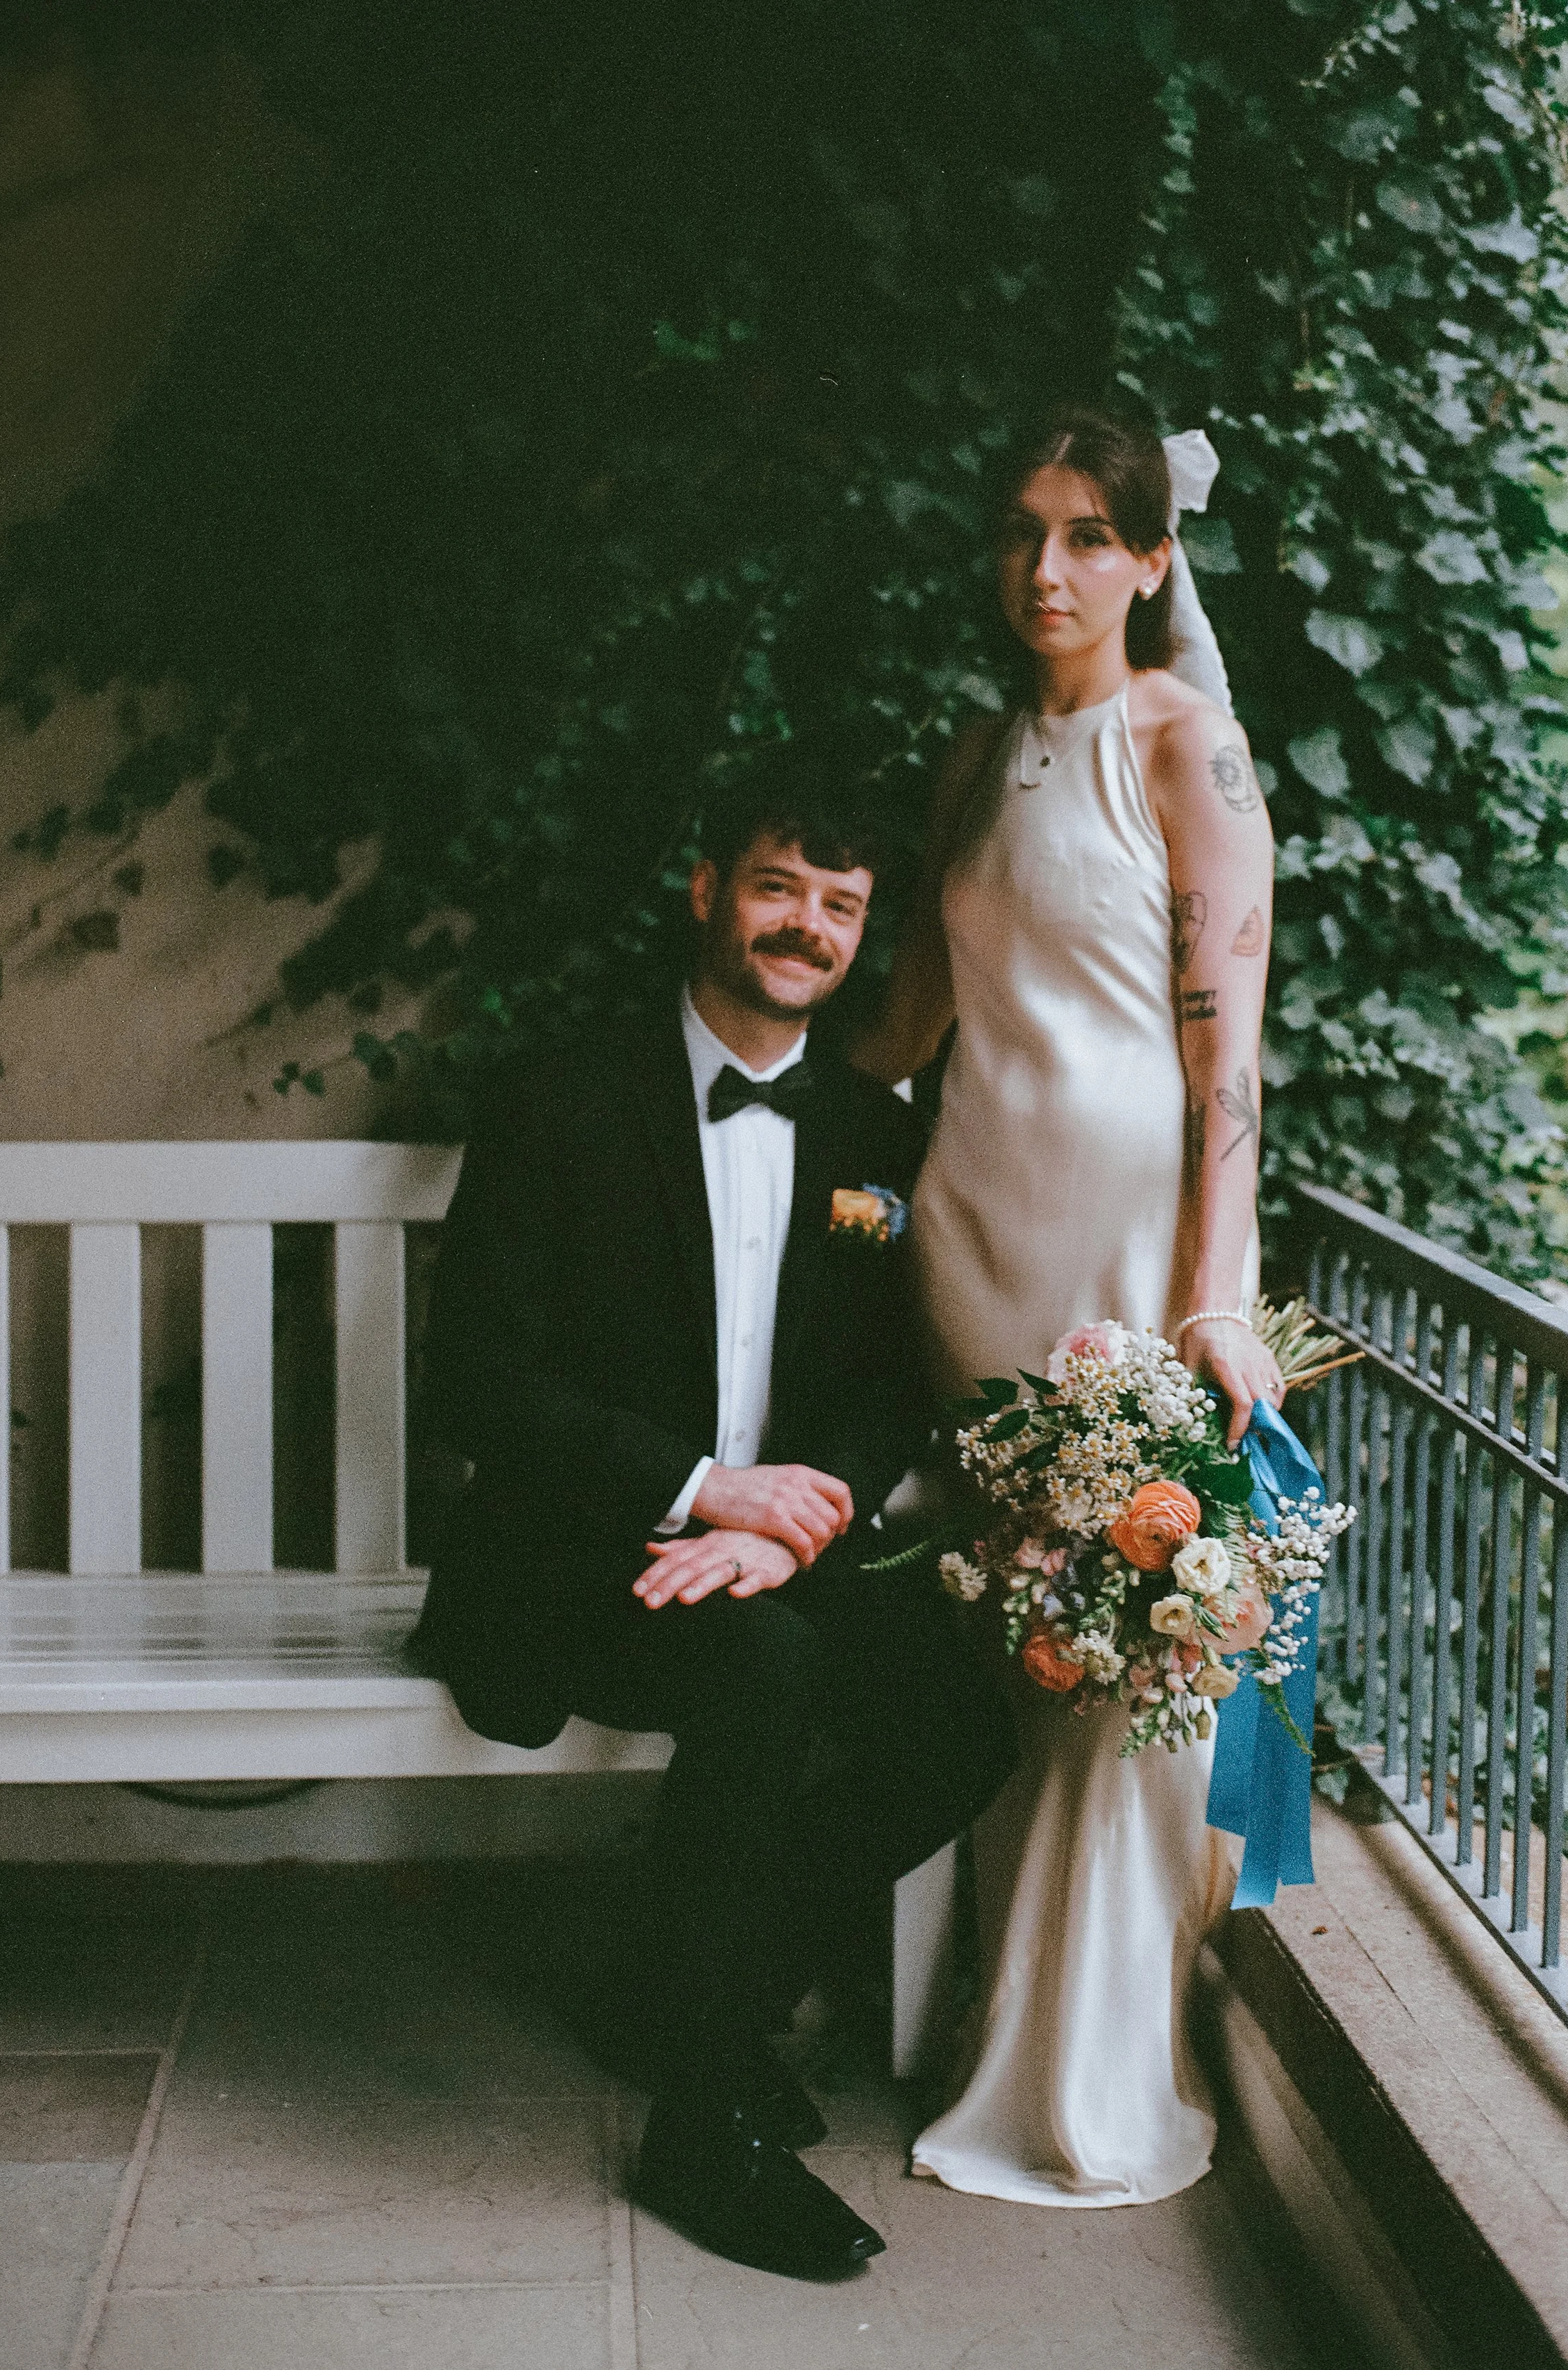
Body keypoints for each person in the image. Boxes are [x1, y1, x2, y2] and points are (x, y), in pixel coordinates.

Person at [409, 767, 1014, 2278]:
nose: (803, 923)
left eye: (838, 902)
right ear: (704, 889)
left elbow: (884, 1387)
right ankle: (700, 2116)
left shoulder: (872, 1134)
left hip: (765, 1553)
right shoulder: (561, 1093)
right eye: (774, 885)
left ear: (861, 931)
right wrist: (694, 1487)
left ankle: (689, 1984)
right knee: (768, 1676)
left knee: (956, 1714)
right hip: (566, 1551)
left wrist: (783, 1524)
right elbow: (474, 1380)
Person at [853, 404, 1283, 2207]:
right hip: (966, 1231)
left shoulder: (1182, 744)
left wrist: (1216, 1287)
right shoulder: (971, 753)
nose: (1047, 568)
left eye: (1087, 535)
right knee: (988, 1621)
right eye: (1024, 531)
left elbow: (1226, 1048)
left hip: (1117, 1255)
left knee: (1114, 1642)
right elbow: (902, 1033)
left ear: (1148, 557)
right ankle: (950, 2009)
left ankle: (1082, 2064)